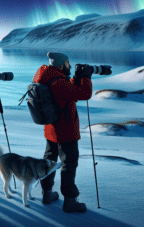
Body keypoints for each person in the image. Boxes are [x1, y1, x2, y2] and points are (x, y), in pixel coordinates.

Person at [33, 52, 93, 213]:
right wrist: (86, 78)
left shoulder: (47, 77)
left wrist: (76, 78)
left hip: (51, 129)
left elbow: (67, 92)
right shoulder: (58, 82)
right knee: (69, 164)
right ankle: (70, 201)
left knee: (49, 160)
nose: (70, 66)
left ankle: (46, 193)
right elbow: (84, 94)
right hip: (65, 129)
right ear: (60, 65)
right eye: (68, 63)